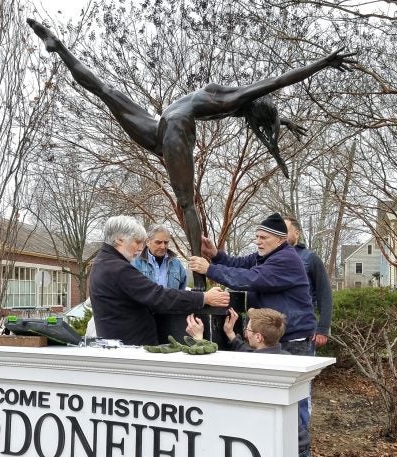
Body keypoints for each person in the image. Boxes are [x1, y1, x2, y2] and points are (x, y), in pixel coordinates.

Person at [27, 18, 357, 289]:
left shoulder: (221, 96)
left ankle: (59, 48)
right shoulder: (234, 99)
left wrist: (280, 121)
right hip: (172, 135)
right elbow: (280, 80)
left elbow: (257, 110)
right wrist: (323, 63)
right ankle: (200, 279)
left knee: (106, 91)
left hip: (161, 125)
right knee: (187, 204)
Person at [185, 307, 311, 457]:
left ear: (258, 337)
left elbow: (213, 370)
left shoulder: (254, 367)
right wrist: (231, 334)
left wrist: (199, 340)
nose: (245, 332)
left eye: (248, 329)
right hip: (302, 453)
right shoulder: (283, 356)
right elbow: (251, 354)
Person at [89, 215, 230, 346]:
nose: (139, 248)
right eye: (137, 242)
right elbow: (157, 295)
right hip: (130, 348)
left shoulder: (103, 262)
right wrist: (204, 297)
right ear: (119, 239)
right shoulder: (118, 268)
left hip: (121, 344)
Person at [187, 212, 316, 349]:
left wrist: (209, 270)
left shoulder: (285, 259)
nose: (258, 241)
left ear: (280, 239)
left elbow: (250, 278)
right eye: (257, 237)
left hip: (293, 340)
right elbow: (238, 264)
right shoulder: (266, 255)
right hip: (276, 337)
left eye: (263, 237)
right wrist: (215, 254)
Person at [284, 217, 333, 351]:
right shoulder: (268, 259)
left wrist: (323, 329)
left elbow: (325, 294)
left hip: (301, 336)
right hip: (273, 336)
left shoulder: (310, 259)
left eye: (285, 231)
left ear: (297, 233)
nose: (281, 235)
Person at [132, 225, 188, 289]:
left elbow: (182, 292)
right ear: (148, 242)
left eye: (166, 242)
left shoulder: (176, 264)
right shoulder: (135, 263)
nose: (163, 247)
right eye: (158, 242)